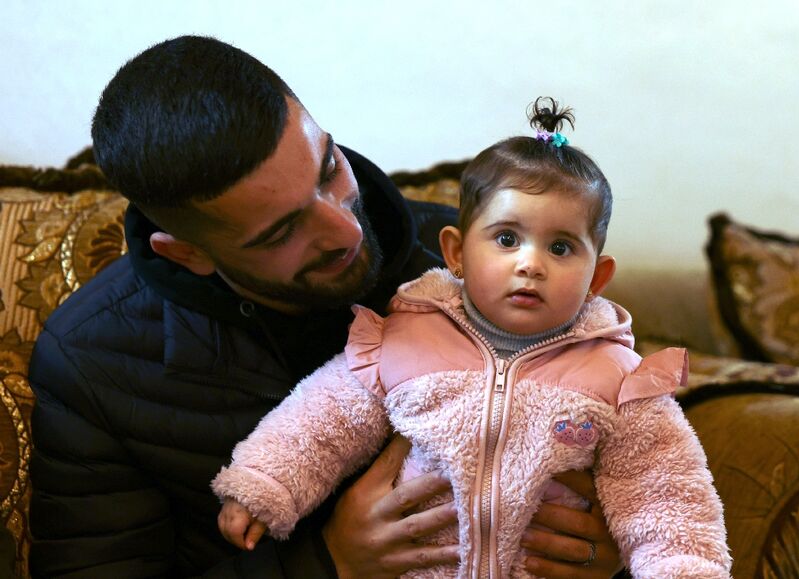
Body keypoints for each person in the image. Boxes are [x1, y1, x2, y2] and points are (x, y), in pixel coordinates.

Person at [28, 36, 623, 578]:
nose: (343, 230)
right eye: (280, 231)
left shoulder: (470, 267)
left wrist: (611, 550)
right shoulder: (91, 359)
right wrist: (327, 561)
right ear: (188, 253)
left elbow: (627, 452)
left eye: (328, 169)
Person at [212, 99, 732, 578]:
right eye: (507, 239)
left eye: (561, 247)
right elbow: (322, 418)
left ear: (597, 278)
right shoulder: (403, 342)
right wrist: (265, 484)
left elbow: (664, 488)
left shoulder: (617, 379)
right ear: (457, 254)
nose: (531, 264)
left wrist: (684, 566)